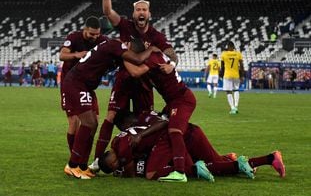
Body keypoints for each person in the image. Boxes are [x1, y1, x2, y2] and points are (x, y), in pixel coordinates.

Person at [90, 0, 179, 170]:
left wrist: (173, 63)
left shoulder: (156, 35)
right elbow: (107, 11)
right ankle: (98, 160)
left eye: (144, 10)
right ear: (133, 13)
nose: (141, 12)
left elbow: (172, 53)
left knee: (145, 122)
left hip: (144, 82)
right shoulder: (125, 26)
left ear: (149, 14)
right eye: (138, 9)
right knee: (111, 116)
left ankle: (140, 160)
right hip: (124, 77)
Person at [62, 33, 160, 180]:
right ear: (128, 47)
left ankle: (82, 165)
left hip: (84, 85)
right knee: (88, 123)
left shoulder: (117, 51)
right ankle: (72, 164)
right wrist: (151, 49)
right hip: (76, 83)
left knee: (93, 124)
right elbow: (138, 59)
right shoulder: (116, 45)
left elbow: (133, 68)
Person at [99, 110, 285, 181]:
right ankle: (262, 159)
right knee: (215, 165)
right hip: (187, 132)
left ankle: (251, 161)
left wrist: (121, 172)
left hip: (179, 138)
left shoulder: (123, 142)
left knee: (155, 174)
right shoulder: (142, 122)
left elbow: (131, 171)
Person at [124, 48, 196, 182]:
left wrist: (122, 57)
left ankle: (180, 172)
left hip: (181, 99)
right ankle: (193, 165)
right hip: (172, 102)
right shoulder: (150, 60)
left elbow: (135, 72)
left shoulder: (152, 58)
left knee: (174, 131)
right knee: (168, 127)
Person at [59, 16, 105, 154]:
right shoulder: (74, 37)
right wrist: (77, 55)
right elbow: (62, 55)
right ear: (85, 30)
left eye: (97, 34)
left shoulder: (101, 40)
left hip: (87, 85)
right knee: (74, 121)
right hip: (70, 84)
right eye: (91, 34)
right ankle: (74, 155)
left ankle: (82, 152)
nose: (94, 37)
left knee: (94, 121)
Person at [220, 41, 245, 114]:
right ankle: (236, 106)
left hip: (227, 75)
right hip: (236, 75)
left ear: (228, 46)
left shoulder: (224, 54)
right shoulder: (238, 54)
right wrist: (242, 75)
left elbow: (222, 66)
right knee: (236, 90)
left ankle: (233, 108)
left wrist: (221, 75)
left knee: (228, 91)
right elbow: (241, 66)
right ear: (233, 47)